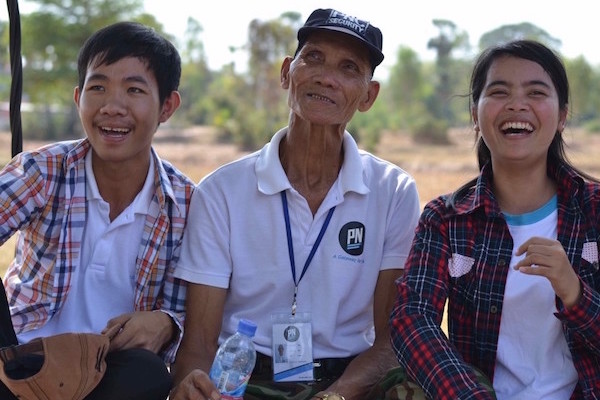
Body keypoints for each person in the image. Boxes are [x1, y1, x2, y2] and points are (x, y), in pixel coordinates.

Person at [170, 8, 421, 400]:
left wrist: (336, 396)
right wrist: (196, 384)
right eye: (314, 58)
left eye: (349, 68)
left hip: (351, 381)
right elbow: (198, 343)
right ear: (287, 72)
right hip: (245, 378)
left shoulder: (394, 192)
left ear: (368, 96)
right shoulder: (222, 191)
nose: (326, 77)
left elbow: (391, 339)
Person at [389, 39, 600, 399]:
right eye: (499, 91)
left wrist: (574, 292)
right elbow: (413, 319)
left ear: (563, 115)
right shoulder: (446, 220)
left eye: (536, 92)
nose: (517, 105)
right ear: (475, 113)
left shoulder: (593, 210)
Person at [0, 21, 194, 400]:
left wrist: (167, 324)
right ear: (78, 98)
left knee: (149, 373)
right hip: (20, 358)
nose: (112, 107)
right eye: (98, 87)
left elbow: (189, 311)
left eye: (134, 90)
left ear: (167, 106)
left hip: (105, 371)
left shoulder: (184, 203)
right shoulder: (45, 170)